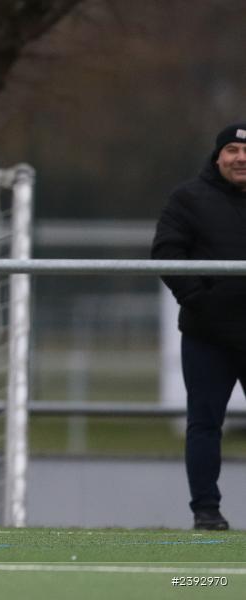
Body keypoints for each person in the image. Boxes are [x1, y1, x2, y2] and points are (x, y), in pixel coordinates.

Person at [151, 122, 246, 531]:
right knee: (205, 424)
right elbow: (166, 253)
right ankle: (206, 511)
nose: (241, 158)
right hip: (208, 336)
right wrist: (200, 302)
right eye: (232, 150)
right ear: (218, 155)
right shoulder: (188, 198)